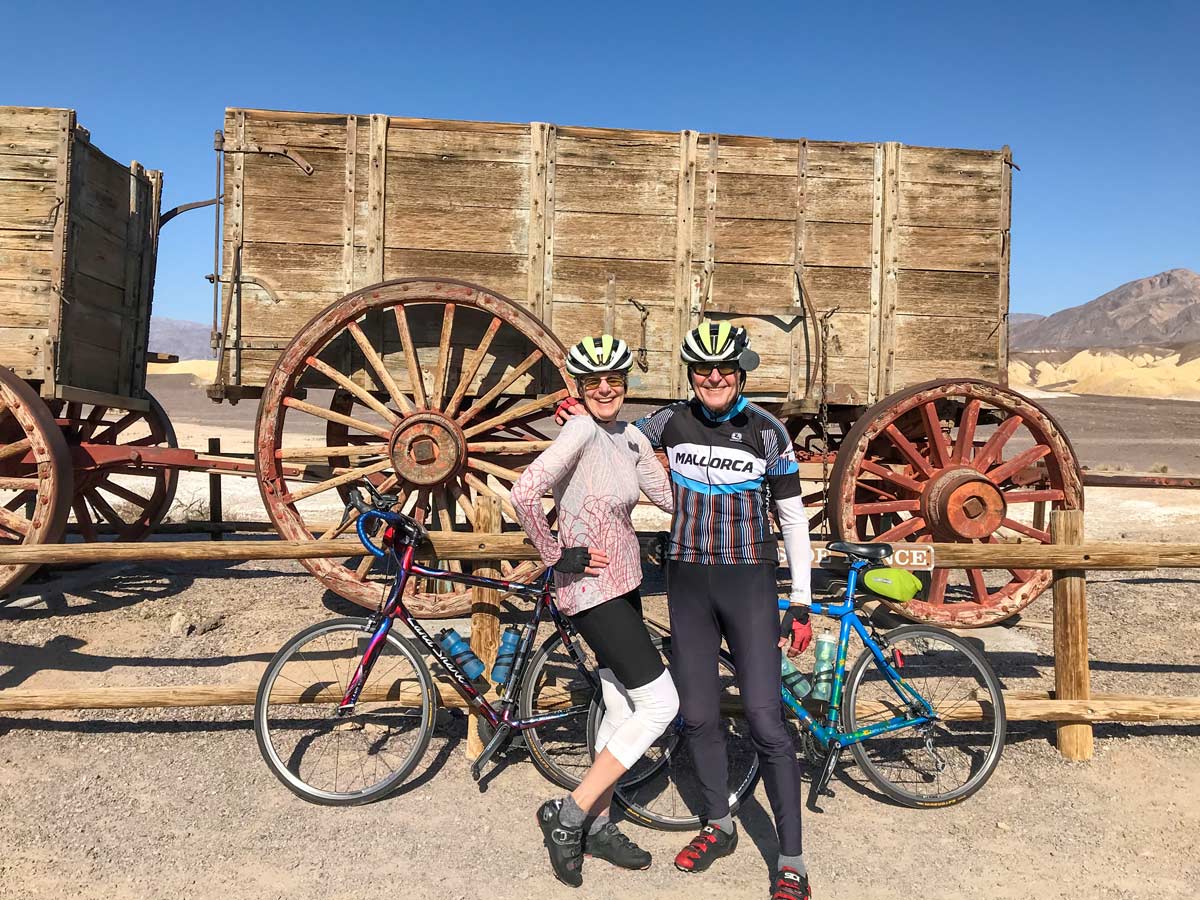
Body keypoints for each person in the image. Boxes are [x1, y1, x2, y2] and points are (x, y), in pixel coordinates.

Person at [560, 320, 815, 900]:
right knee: (696, 715)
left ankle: (792, 859)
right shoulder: (669, 420)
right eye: (703, 369)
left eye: (725, 368)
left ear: (741, 371)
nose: (715, 377)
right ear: (693, 375)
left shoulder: (768, 432)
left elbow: (795, 520)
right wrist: (573, 416)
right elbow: (614, 430)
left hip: (749, 581)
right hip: (688, 583)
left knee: (766, 719)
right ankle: (719, 823)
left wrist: (800, 600)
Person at [511, 335, 679, 889]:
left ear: (626, 384)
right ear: (580, 390)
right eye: (593, 383)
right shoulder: (580, 429)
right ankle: (571, 813)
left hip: (625, 582)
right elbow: (524, 490)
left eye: (614, 380)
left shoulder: (628, 436)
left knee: (617, 702)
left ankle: (600, 824)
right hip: (592, 590)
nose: (605, 389)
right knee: (660, 703)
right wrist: (556, 554)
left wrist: (732, 489)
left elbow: (671, 498)